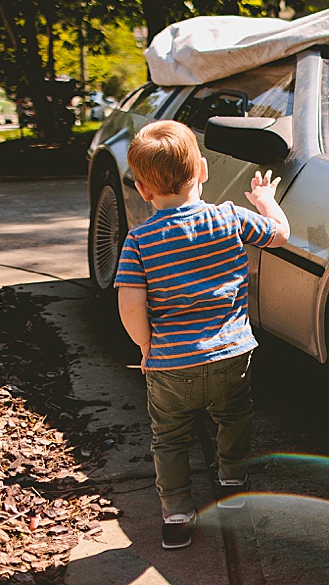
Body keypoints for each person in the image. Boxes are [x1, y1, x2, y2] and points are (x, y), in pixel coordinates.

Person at [115, 119, 291, 549]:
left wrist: (145, 346)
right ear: (203, 171)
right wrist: (266, 200)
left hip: (171, 364)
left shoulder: (139, 241)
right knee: (233, 418)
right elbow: (280, 236)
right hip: (232, 355)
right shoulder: (230, 218)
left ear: (142, 189)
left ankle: (176, 514)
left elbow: (131, 306)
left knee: (170, 437)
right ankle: (231, 483)